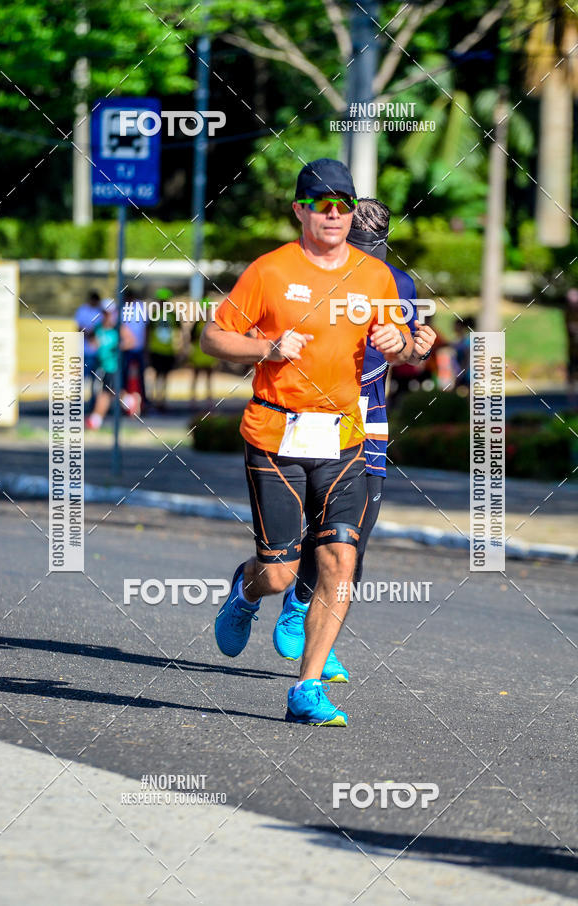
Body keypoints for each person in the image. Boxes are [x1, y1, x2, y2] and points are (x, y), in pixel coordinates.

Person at [201, 159, 413, 727]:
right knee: (277, 572)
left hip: (344, 436)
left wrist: (402, 341)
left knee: (339, 560)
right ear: (300, 210)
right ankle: (246, 593)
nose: (335, 215)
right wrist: (265, 350)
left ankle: (307, 689)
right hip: (276, 434)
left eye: (344, 205)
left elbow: (403, 344)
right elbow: (213, 335)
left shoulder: (374, 277)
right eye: (322, 204)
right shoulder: (269, 272)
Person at [273, 199, 436, 681]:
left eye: (374, 249)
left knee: (353, 543)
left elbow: (403, 351)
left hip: (369, 421)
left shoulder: (397, 282)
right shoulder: (300, 273)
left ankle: (310, 627)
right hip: (309, 415)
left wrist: (416, 349)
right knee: (301, 539)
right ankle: (278, 596)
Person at [85, 300, 140, 430]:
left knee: (105, 393)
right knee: (111, 392)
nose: (107, 316)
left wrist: (118, 346)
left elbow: (132, 341)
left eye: (109, 313)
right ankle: (130, 400)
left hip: (113, 366)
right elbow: (92, 340)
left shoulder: (118, 328)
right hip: (102, 365)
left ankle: (96, 420)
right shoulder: (98, 327)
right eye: (104, 313)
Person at [147, 287, 176, 411]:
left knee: (163, 377)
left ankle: (161, 400)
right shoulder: (155, 315)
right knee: (158, 376)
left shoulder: (171, 315)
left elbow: (179, 332)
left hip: (167, 350)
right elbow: (147, 332)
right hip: (157, 349)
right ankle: (156, 399)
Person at [120, 286, 148, 411]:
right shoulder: (122, 308)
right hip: (126, 350)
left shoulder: (140, 307)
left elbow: (145, 328)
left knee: (141, 377)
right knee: (124, 377)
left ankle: (143, 402)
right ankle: (125, 404)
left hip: (139, 348)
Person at [74, 290, 102, 411]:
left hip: (97, 352)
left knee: (95, 380)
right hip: (85, 351)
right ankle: (76, 402)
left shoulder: (100, 311)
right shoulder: (82, 310)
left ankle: (93, 404)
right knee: (82, 377)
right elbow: (79, 328)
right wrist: (89, 333)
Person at [189, 298, 218, 406]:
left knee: (208, 380)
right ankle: (193, 400)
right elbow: (191, 339)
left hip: (208, 357)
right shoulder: (199, 324)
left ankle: (208, 401)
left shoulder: (211, 323)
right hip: (198, 356)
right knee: (196, 379)